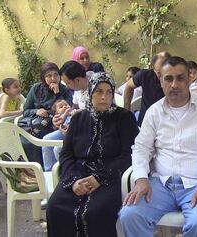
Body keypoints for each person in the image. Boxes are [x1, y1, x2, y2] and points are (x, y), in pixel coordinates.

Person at [118, 56, 197, 237]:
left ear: (190, 80)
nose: (174, 84)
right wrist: (140, 178)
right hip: (160, 184)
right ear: (161, 81)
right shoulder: (154, 112)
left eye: (180, 78)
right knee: (129, 215)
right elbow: (141, 148)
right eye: (168, 79)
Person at [46, 72, 139, 237]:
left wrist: (99, 178)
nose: (104, 97)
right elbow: (67, 155)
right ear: (90, 93)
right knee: (55, 207)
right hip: (77, 174)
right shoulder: (78, 118)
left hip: (111, 176)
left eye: (108, 92)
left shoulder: (124, 118)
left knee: (96, 212)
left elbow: (128, 156)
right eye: (99, 91)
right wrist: (74, 181)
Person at [22, 62, 72, 165]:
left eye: (56, 75)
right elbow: (25, 111)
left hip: (56, 124)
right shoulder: (36, 89)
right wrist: (36, 111)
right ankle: (34, 169)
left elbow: (67, 109)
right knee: (26, 139)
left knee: (44, 136)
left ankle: (48, 170)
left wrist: (58, 94)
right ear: (43, 77)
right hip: (37, 124)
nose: (53, 79)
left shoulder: (64, 90)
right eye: (49, 76)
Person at [123, 51, 171, 126]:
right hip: (145, 123)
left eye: (166, 71)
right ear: (153, 68)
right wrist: (126, 110)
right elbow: (129, 86)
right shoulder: (145, 75)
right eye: (159, 73)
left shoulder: (177, 81)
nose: (163, 75)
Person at [41, 99, 72, 171]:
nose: (65, 107)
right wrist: (65, 114)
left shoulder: (72, 113)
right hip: (64, 131)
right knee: (46, 139)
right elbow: (60, 122)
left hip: (74, 131)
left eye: (66, 105)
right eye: (61, 107)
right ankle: (49, 171)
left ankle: (59, 171)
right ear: (56, 112)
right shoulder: (60, 116)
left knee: (57, 148)